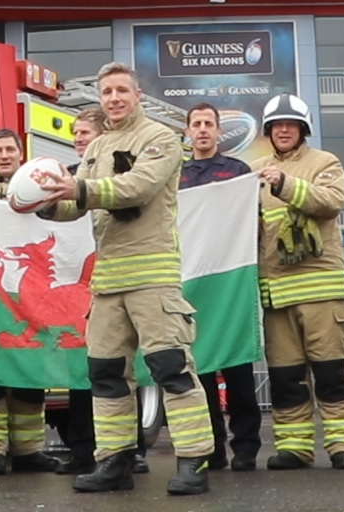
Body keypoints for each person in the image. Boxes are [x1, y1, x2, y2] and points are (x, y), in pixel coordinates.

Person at [36, 62, 218, 496]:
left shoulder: (160, 138)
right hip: (108, 279)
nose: (114, 98)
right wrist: (40, 201)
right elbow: (75, 203)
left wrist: (76, 191)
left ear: (137, 95)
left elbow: (137, 187)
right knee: (106, 373)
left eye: (121, 90)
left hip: (153, 274)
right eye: (106, 92)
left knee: (171, 368)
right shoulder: (95, 148)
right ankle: (114, 461)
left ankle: (194, 460)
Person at [250, 95, 344, 470]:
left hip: (320, 290)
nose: (283, 130)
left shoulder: (324, 162)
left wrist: (284, 183)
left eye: (290, 124)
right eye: (277, 125)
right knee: (286, 378)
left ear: (302, 130)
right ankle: (294, 448)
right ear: (268, 131)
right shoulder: (254, 169)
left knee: (332, 372)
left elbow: (331, 201)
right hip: (275, 295)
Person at [0, 128, 62, 475]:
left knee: (31, 375)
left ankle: (29, 451)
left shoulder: (44, 192)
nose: (4, 156)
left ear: (22, 154)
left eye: (10, 150)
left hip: (33, 297)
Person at [178, 103, 262, 472]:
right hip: (194, 284)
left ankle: (246, 447)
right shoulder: (177, 176)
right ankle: (212, 448)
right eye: (196, 124)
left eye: (209, 124)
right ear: (188, 131)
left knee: (239, 368)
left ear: (217, 130)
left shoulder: (238, 171)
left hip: (229, 280)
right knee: (204, 372)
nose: (202, 130)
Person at [56, 106, 106, 476]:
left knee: (116, 370)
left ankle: (128, 449)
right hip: (77, 288)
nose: (78, 138)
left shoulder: (119, 171)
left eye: (85, 132)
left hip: (110, 280)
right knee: (81, 372)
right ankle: (81, 451)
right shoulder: (66, 178)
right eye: (75, 133)